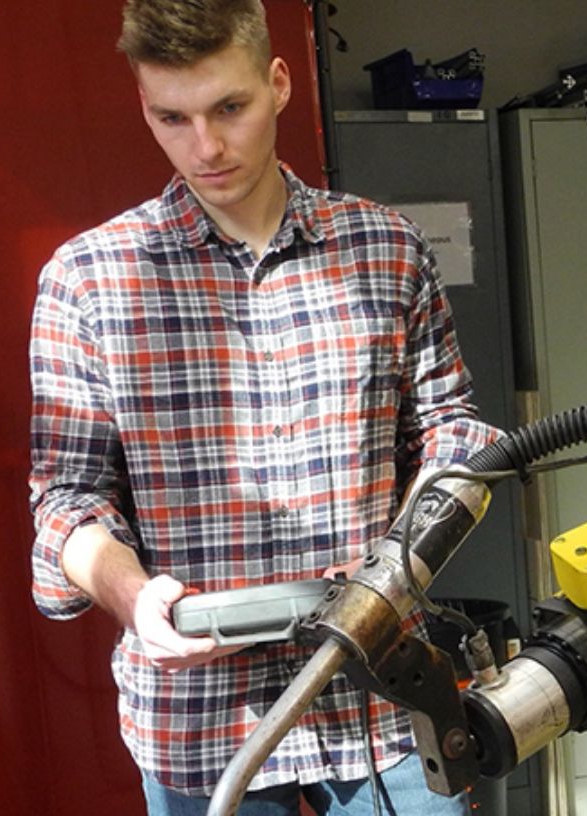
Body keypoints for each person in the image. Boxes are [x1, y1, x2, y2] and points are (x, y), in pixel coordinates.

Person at [27, 2, 495, 814]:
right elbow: (66, 501)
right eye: (171, 117)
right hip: (203, 722)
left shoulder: (385, 250)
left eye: (229, 108)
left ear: (278, 84)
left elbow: (454, 438)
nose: (205, 147)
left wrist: (401, 563)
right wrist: (135, 596)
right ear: (142, 103)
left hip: (379, 697)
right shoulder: (89, 280)